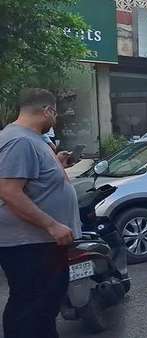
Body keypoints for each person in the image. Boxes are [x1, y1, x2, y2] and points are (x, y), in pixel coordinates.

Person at [0, 88, 80, 337]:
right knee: (31, 310)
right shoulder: (19, 140)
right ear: (47, 111)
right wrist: (51, 225)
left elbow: (34, 181)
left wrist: (57, 163)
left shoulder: (31, 139)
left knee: (43, 308)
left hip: (40, 244)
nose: (55, 120)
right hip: (31, 244)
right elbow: (9, 191)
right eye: (55, 114)